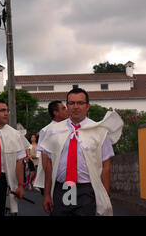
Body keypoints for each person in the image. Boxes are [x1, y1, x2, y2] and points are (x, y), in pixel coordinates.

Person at [40, 88, 123, 216]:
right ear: (67, 106)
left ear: (87, 106)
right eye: (72, 103)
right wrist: (46, 194)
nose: (76, 107)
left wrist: (105, 196)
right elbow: (49, 165)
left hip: (87, 190)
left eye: (80, 103)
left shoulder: (99, 131)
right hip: (61, 188)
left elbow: (106, 166)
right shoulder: (53, 131)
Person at [0, 100, 27, 216]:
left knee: (0, 212)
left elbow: (19, 161)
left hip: (4, 182)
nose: (6, 113)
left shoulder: (15, 134)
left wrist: (21, 185)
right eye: (2, 110)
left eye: (7, 110)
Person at [34, 100, 68, 193]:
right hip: (52, 178)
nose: (67, 110)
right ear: (55, 113)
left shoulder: (70, 128)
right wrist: (49, 180)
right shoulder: (47, 130)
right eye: (63, 108)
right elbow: (44, 156)